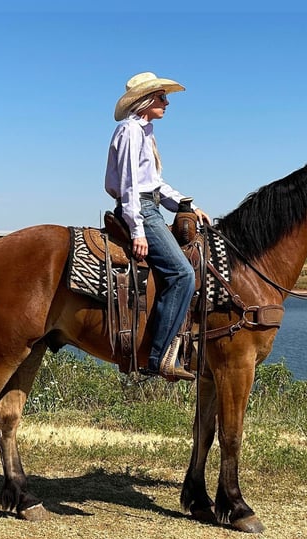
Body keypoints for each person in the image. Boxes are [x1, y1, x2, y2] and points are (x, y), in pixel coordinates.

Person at [105, 71, 211, 381]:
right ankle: (160, 357)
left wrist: (186, 206)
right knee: (182, 273)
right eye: (162, 97)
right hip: (139, 210)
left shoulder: (145, 132)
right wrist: (136, 229)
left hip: (147, 205)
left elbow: (155, 185)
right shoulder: (129, 131)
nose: (167, 102)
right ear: (145, 100)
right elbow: (129, 186)